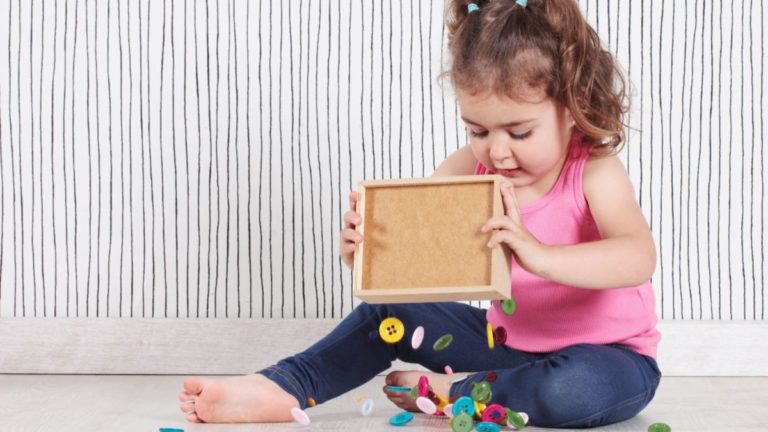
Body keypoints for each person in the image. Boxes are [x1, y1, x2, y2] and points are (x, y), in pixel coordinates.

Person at [177, 0, 661, 427]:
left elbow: (636, 257)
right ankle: (281, 386)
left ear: (571, 106)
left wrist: (540, 256)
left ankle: (456, 393)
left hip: (610, 359)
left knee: (570, 390)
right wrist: (370, 253)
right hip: (507, 347)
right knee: (389, 313)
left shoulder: (594, 171)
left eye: (519, 132)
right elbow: (424, 261)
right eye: (478, 130)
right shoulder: (466, 171)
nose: (496, 151)